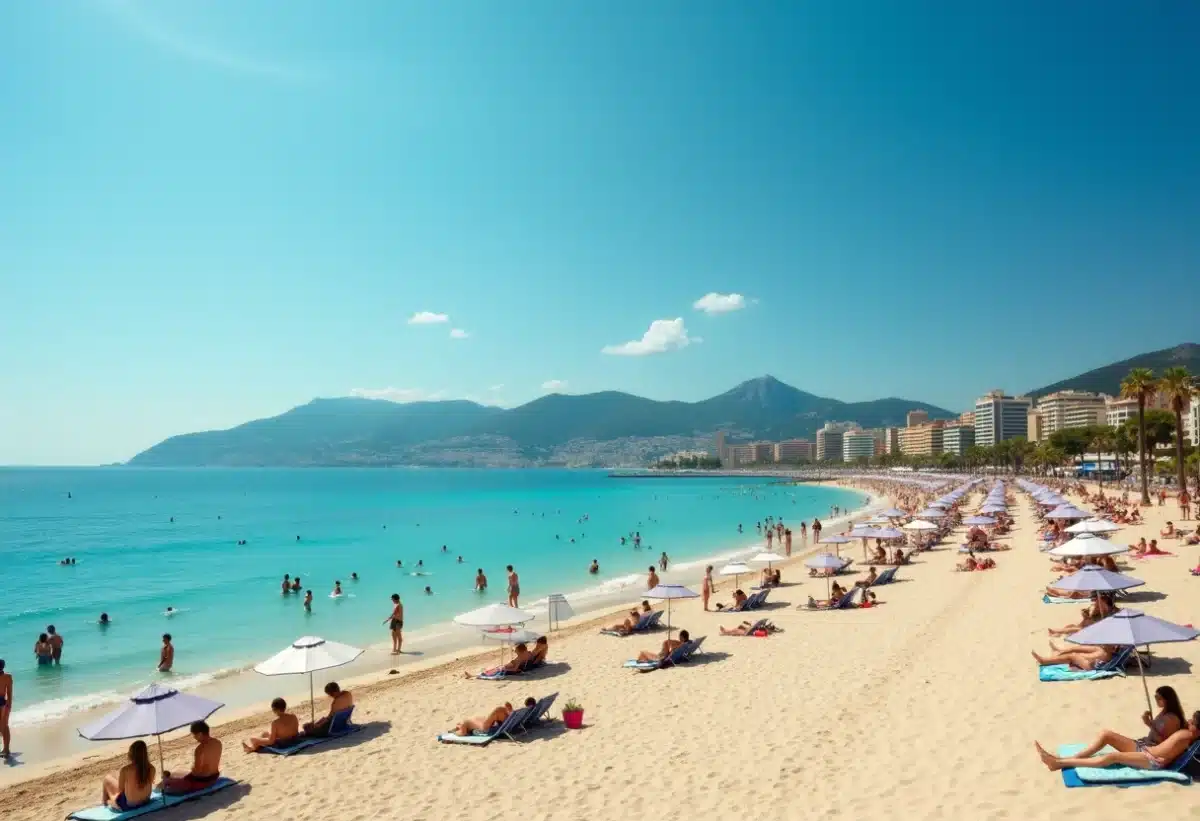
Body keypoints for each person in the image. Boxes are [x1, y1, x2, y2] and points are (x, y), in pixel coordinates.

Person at [1034, 711, 1200, 772]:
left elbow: (1162, 754)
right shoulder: (1186, 735)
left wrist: (1149, 750)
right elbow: (1164, 743)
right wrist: (1150, 724)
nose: (1188, 722)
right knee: (1107, 735)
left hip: (1152, 759)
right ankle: (1075, 757)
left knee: (1113, 757)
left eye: (1192, 723)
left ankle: (1059, 763)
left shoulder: (1185, 736)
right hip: (1147, 749)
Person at [161, 720, 221, 795]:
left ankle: (167, 779)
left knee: (170, 785)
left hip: (203, 781)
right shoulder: (218, 742)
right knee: (180, 775)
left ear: (200, 734)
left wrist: (192, 769)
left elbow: (197, 771)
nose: (194, 738)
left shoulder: (200, 749)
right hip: (214, 777)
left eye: (194, 735)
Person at [101, 740, 156, 810]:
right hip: (146, 800)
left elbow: (120, 789)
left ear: (131, 754)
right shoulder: (152, 768)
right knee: (116, 780)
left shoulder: (125, 770)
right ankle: (108, 801)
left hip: (130, 804)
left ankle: (106, 802)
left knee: (107, 778)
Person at [1030, 640, 1116, 671]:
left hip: (1090, 666)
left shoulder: (1106, 654)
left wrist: (1078, 656)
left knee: (1072, 656)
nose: (1105, 643)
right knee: (1081, 648)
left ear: (1113, 649)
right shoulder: (1103, 650)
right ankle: (1060, 651)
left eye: (1108, 644)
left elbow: (1091, 660)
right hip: (1093, 659)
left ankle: (1044, 660)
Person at [467, 644, 532, 679]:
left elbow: (515, 669)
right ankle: (474, 675)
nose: (515, 651)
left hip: (505, 669)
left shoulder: (520, 658)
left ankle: (472, 675)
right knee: (491, 671)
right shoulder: (525, 655)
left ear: (520, 651)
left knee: (490, 673)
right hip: (504, 667)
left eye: (516, 650)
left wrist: (505, 669)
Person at [0, 659, 11, 758]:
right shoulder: (7, 677)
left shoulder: (7, 677)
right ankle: (6, 749)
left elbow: (9, 694)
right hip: (3, 703)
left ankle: (6, 749)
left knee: (3, 727)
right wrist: (9, 705)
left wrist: (9, 705)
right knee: (4, 726)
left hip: (2, 703)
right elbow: (10, 694)